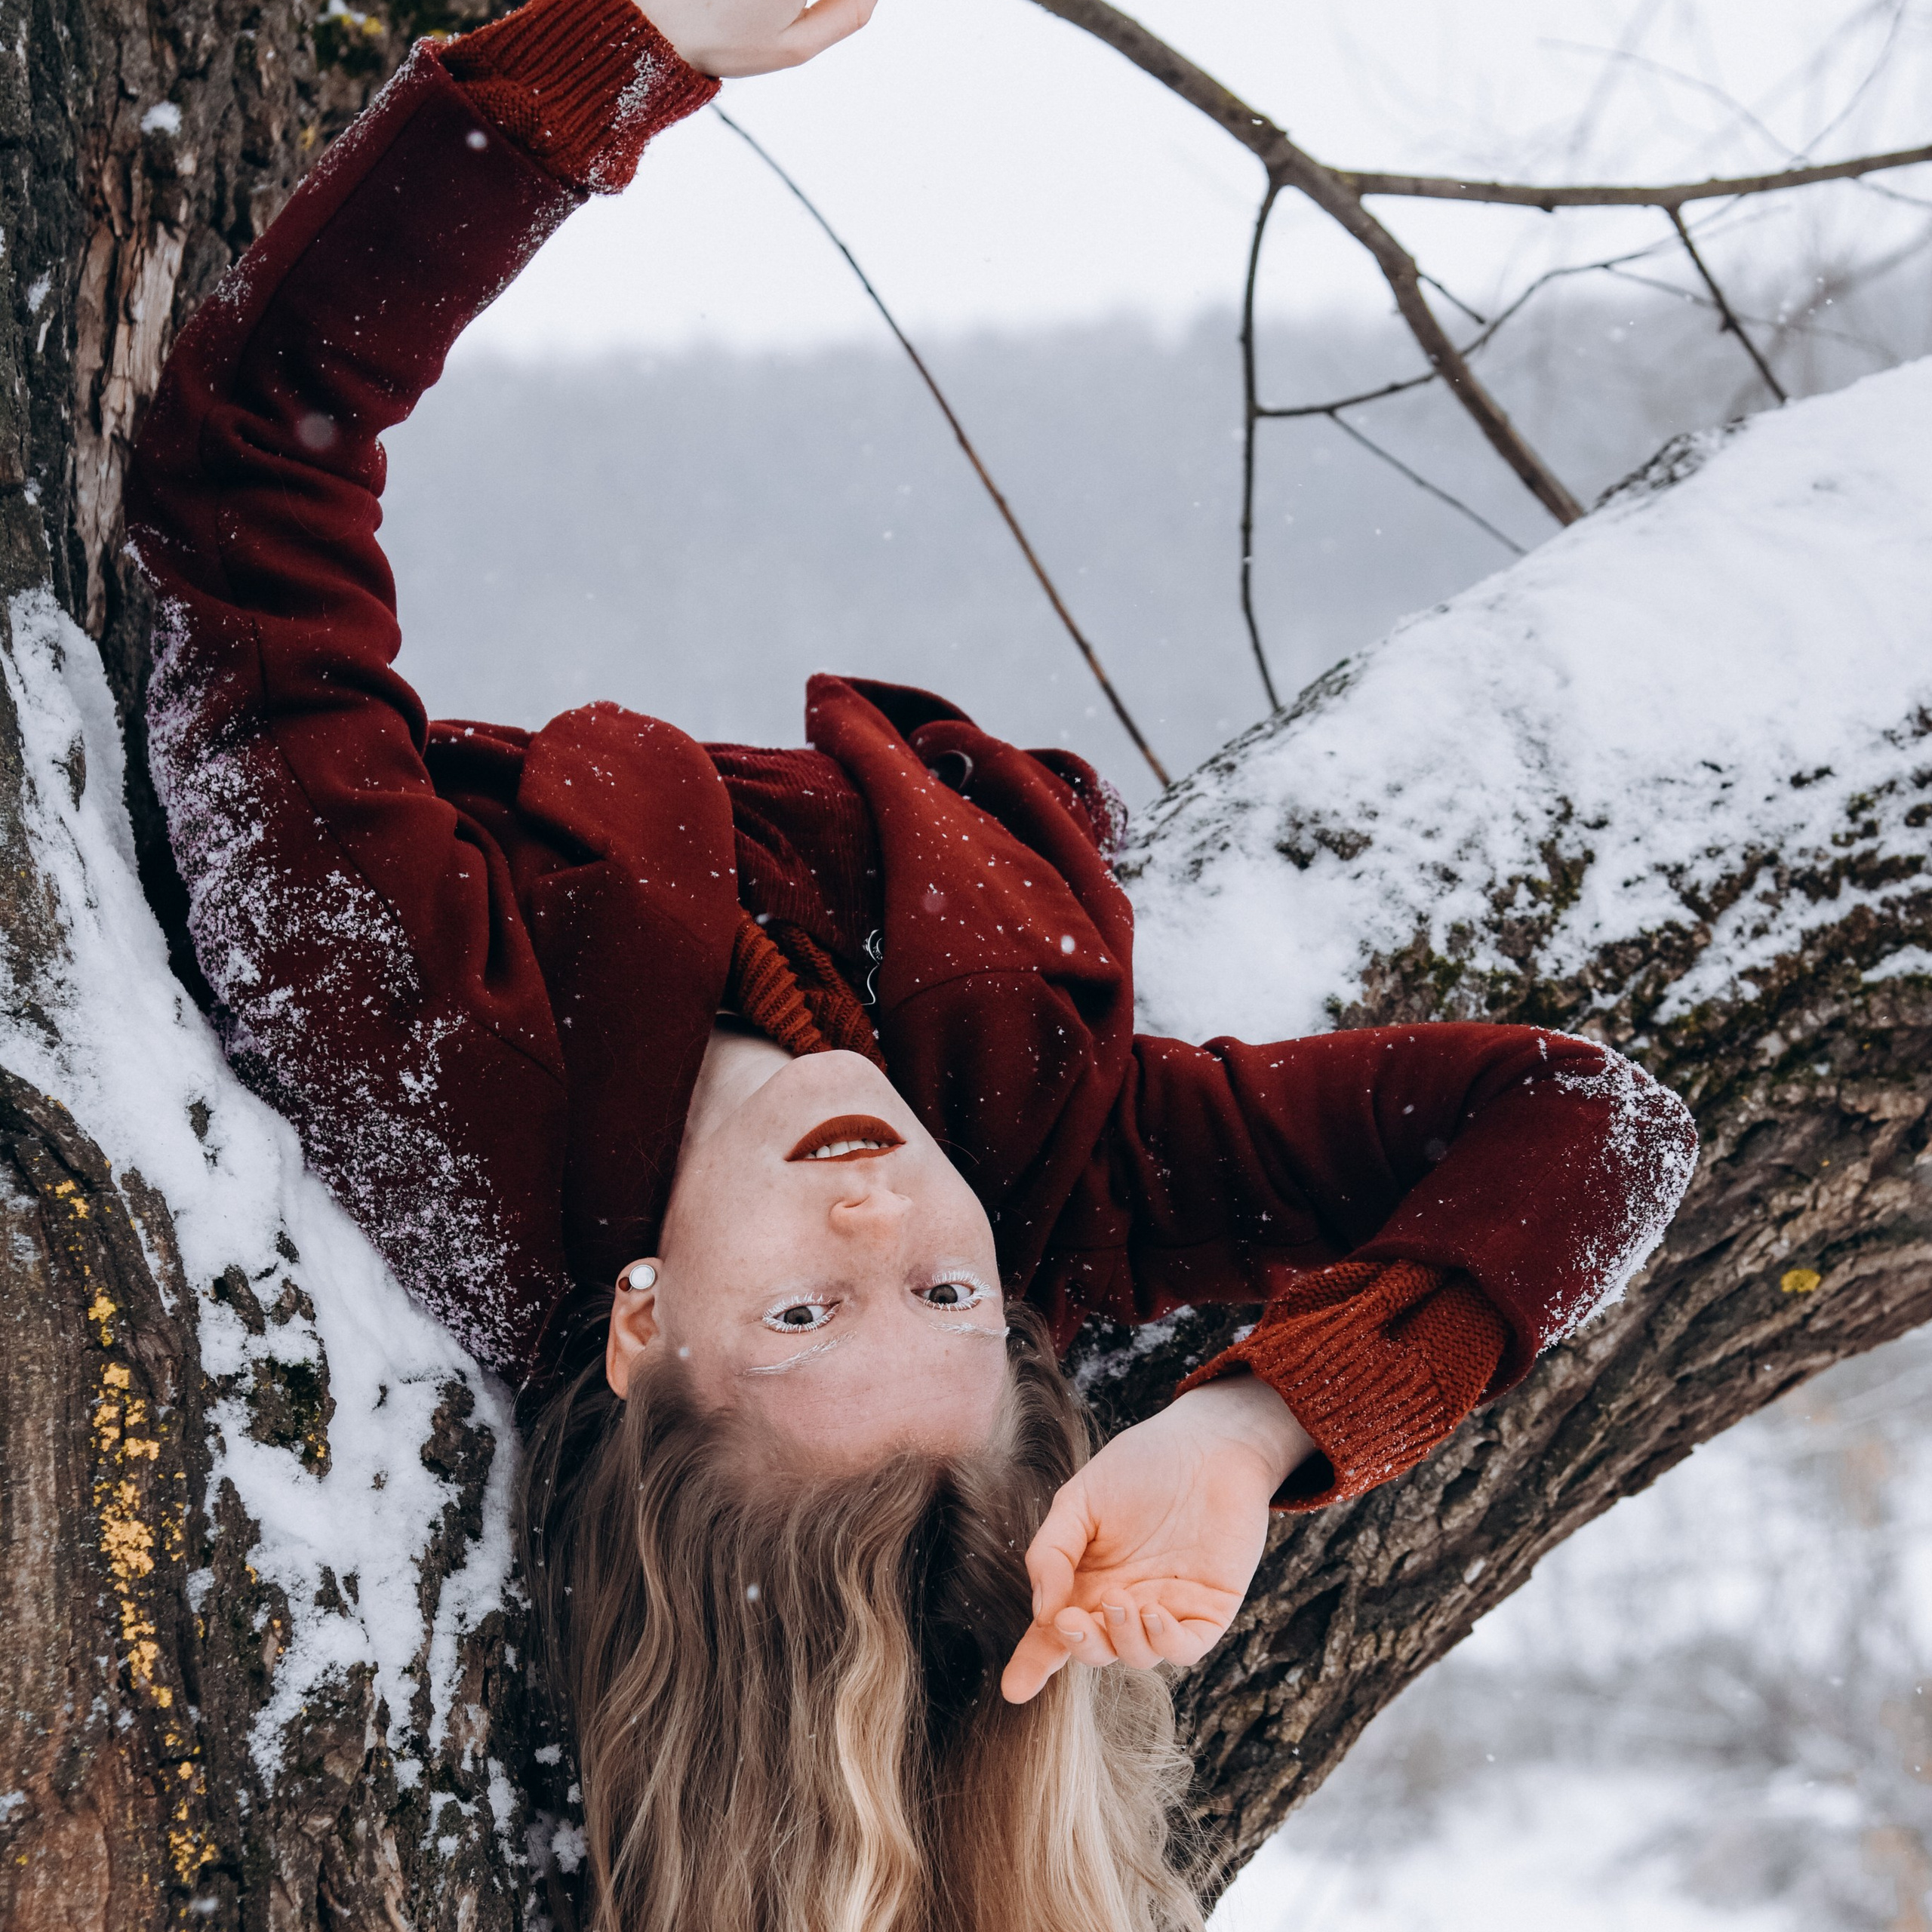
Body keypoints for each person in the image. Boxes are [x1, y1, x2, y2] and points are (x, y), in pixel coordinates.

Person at [125, 0, 1700, 1925]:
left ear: (638, 1336)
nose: (875, 1224)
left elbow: (240, 482)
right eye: (947, 1300)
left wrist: (611, 55)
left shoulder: (432, 1070)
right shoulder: (1054, 1164)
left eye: (801, 1321)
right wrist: (1258, 1422)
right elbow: (1593, 1123)